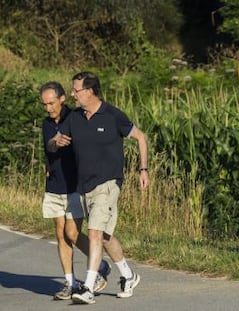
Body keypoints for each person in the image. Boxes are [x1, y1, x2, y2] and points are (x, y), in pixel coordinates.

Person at [49, 72, 150, 304]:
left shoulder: (113, 115)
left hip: (108, 183)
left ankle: (88, 288)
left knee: (94, 233)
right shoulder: (74, 117)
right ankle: (128, 275)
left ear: (90, 91)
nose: (72, 94)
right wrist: (55, 142)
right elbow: (54, 144)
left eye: (76, 90)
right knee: (104, 236)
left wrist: (143, 170)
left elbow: (141, 138)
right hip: (83, 186)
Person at [40, 81, 112, 300]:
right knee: (61, 235)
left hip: (75, 186)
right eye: (44, 104)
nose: (48, 108)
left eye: (51, 103)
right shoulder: (46, 124)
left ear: (62, 99)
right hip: (54, 186)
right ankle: (70, 283)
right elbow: (48, 148)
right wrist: (54, 143)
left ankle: (99, 264)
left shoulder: (77, 118)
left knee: (72, 234)